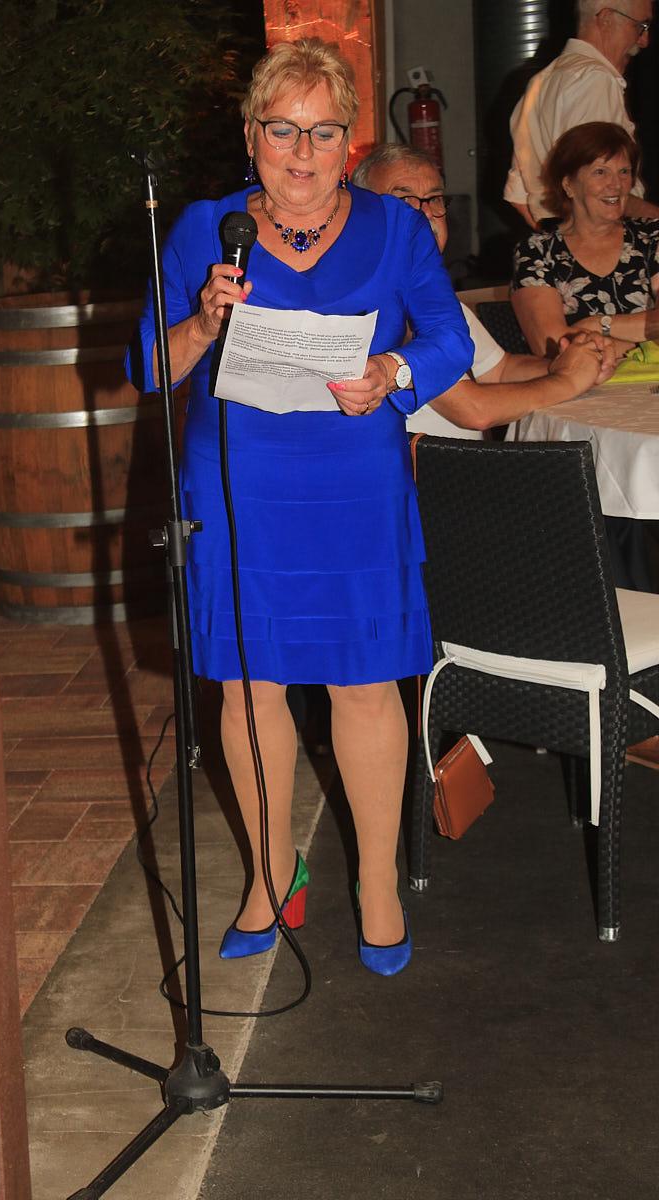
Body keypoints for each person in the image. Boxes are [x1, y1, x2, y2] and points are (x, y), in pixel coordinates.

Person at [127, 38, 473, 976]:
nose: (303, 151)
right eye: (282, 129)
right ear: (252, 135)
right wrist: (203, 321)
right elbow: (147, 366)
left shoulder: (396, 229)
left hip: (355, 482)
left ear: (350, 141)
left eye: (323, 132)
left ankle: (377, 883)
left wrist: (393, 370)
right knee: (250, 684)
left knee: (365, 682)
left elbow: (449, 341)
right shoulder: (205, 228)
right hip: (240, 485)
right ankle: (272, 874)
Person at [352, 143, 614, 438]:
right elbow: (475, 410)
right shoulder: (376, 308)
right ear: (364, 217)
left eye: (434, 199)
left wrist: (575, 361)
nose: (425, 214)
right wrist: (569, 380)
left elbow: (500, 370)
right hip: (428, 468)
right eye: (404, 200)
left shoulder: (437, 303)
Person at [504, 0, 659, 229]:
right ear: (606, 19)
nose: (644, 41)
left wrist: (558, 244)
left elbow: (519, 198)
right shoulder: (594, 80)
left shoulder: (540, 82)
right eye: (640, 26)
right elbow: (603, 190)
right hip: (605, 244)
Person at [512, 122, 659, 359]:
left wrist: (597, 324)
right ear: (568, 184)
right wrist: (644, 348)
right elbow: (552, 345)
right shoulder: (537, 251)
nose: (616, 184)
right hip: (583, 382)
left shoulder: (652, 236)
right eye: (600, 172)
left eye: (624, 172)